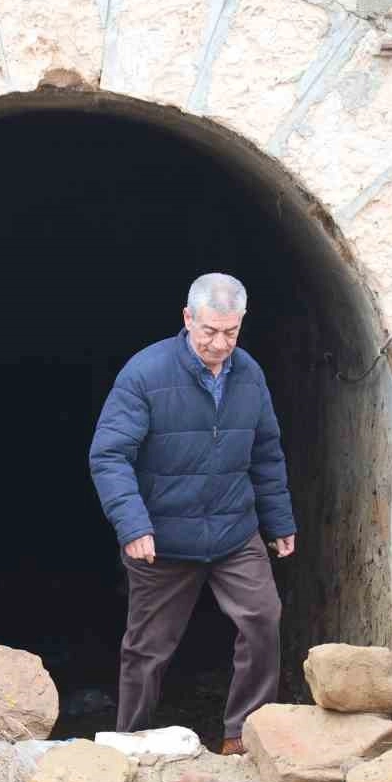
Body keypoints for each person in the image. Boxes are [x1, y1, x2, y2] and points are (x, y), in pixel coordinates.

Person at [88, 272, 297, 756]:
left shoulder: (249, 374)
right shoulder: (145, 374)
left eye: (231, 332)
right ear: (187, 318)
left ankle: (242, 736)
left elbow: (266, 452)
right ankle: (129, 743)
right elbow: (109, 455)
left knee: (263, 619)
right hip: (163, 536)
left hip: (233, 529)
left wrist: (279, 520)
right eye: (209, 331)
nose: (220, 344)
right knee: (147, 648)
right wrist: (133, 525)